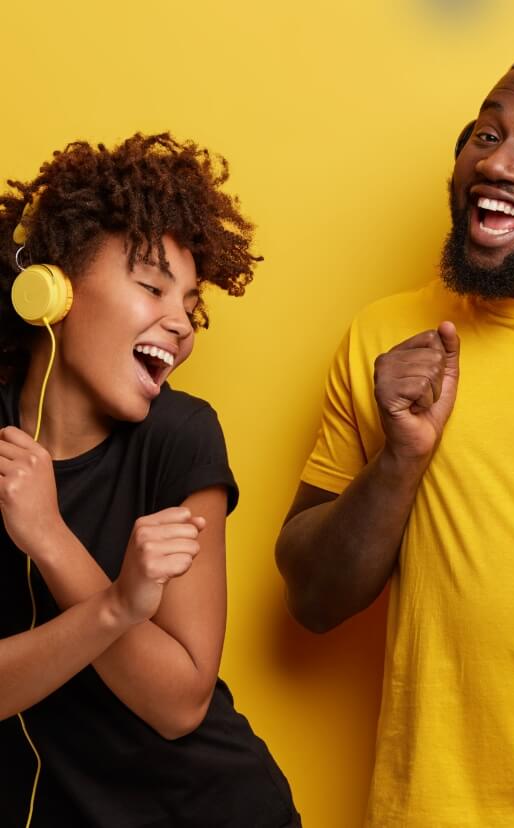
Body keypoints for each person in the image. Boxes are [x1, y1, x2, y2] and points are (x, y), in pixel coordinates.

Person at [276, 53, 514, 827]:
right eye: (485, 134)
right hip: (436, 810)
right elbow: (314, 601)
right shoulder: (386, 336)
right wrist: (400, 457)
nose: (497, 162)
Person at [0, 133, 300, 827]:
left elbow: (178, 705)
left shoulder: (181, 437)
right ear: (53, 288)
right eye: (150, 285)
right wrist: (116, 607)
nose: (180, 323)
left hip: (208, 809)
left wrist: (49, 538)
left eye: (189, 302)